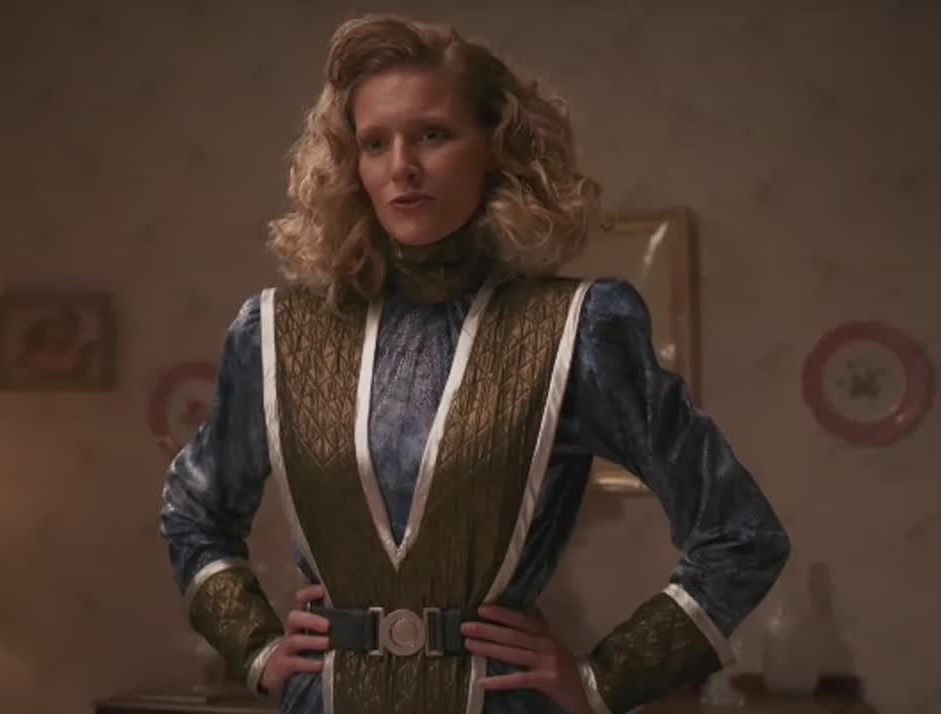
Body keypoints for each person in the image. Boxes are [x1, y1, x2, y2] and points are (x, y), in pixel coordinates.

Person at [158, 13, 789, 714]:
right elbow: (193, 510)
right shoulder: (278, 333)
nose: (402, 166)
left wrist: (604, 679)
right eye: (375, 143)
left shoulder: (580, 328)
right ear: (351, 166)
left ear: (496, 146)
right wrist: (255, 646)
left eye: (432, 134)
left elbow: (741, 535)